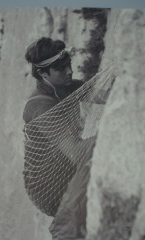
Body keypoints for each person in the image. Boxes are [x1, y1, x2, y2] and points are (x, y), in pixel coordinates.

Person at [23, 37, 96, 217]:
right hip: (49, 187)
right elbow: (77, 153)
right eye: (60, 69)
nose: (69, 71)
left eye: (68, 65)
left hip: (66, 167)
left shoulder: (66, 86)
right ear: (44, 74)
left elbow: (101, 94)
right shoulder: (40, 106)